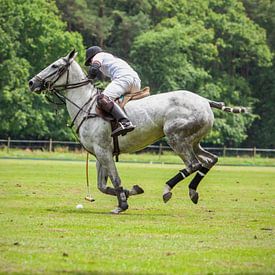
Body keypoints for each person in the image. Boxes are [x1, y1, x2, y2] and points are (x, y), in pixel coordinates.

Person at [85, 46, 141, 137]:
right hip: (136, 82)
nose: (90, 63)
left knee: (102, 99)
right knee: (115, 102)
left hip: (124, 79)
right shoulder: (112, 59)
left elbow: (94, 68)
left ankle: (125, 122)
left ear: (92, 57)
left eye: (89, 62)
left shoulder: (99, 55)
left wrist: (87, 78)